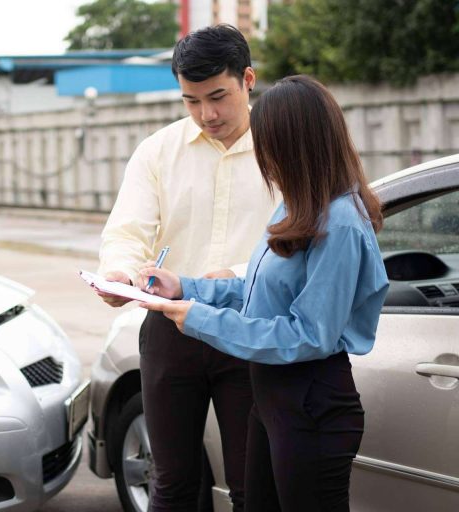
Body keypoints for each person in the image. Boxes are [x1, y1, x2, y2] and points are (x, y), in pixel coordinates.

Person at [138, 75, 389, 512]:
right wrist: (186, 286)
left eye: (269, 145)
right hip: (271, 399)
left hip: (312, 405)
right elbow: (257, 292)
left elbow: (308, 335)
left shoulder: (342, 223)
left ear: (297, 146)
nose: (263, 158)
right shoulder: (297, 206)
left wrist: (199, 318)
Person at [97, 25, 279, 512]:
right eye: (191, 101)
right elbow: (127, 231)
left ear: (248, 79)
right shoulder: (158, 151)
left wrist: (235, 276)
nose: (207, 114)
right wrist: (119, 272)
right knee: (172, 483)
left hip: (251, 330)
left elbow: (299, 240)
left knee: (252, 487)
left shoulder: (283, 149)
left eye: (217, 96)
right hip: (170, 329)